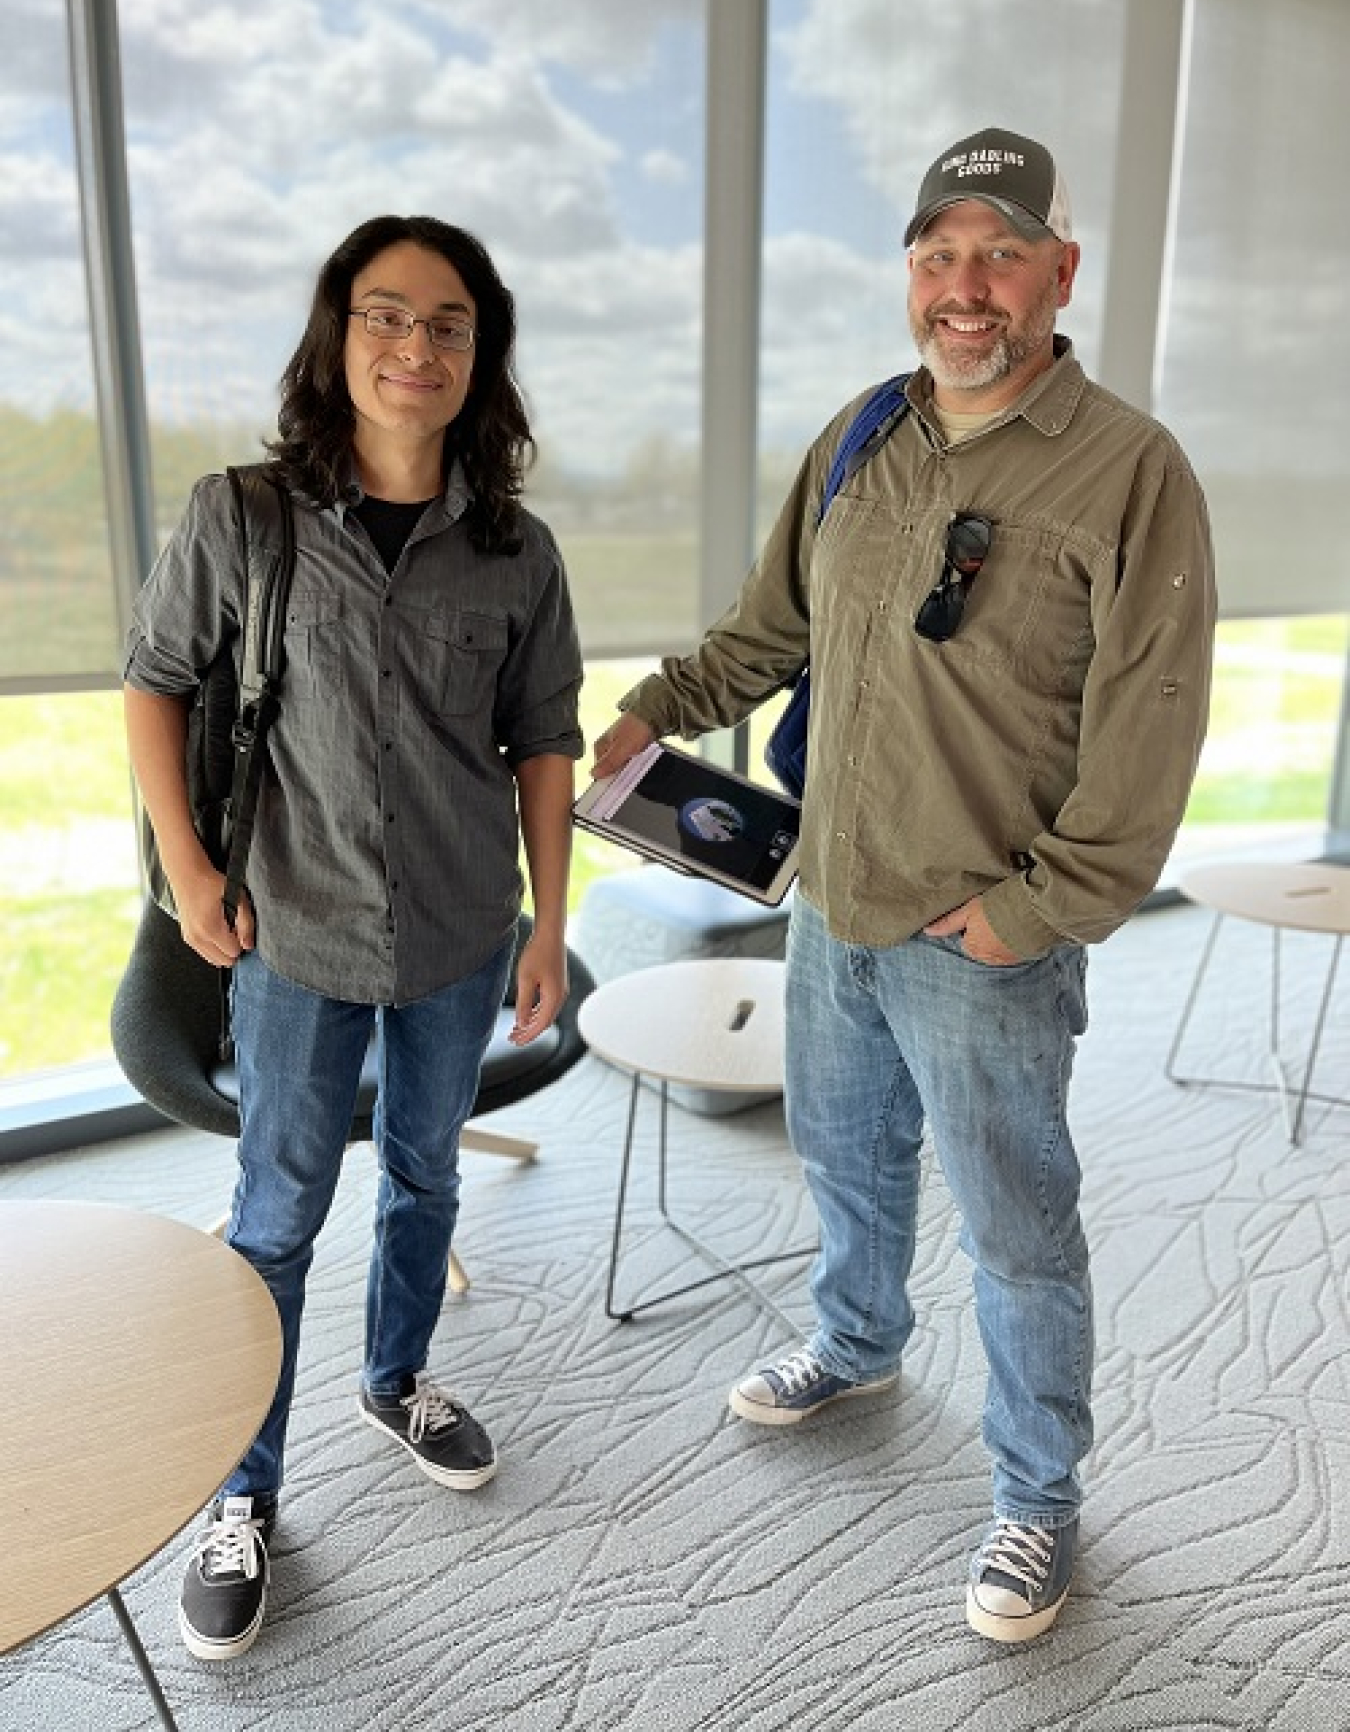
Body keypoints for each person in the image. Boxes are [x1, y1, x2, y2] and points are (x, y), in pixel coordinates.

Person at [592, 128, 1215, 1643]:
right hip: (830, 896)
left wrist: (1035, 908)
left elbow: (1148, 730)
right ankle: (856, 1341)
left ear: (1059, 273)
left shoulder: (1130, 470)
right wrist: (653, 711)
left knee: (1015, 1226)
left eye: (998, 251)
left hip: (982, 935)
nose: (963, 285)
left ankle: (1035, 1495)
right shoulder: (864, 430)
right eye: (936, 253)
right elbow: (768, 631)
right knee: (848, 1161)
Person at [125, 215, 583, 1661]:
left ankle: (397, 1377)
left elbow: (544, 747)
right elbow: (152, 683)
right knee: (274, 1219)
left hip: (458, 930)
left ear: (478, 357)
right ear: (337, 336)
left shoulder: (516, 551)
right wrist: (191, 867)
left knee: (429, 1175)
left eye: (448, 324)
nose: (415, 346)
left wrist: (548, 925)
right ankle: (242, 1489)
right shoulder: (240, 515)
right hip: (289, 934)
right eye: (385, 315)